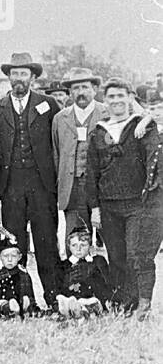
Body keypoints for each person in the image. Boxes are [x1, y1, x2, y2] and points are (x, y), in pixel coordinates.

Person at [0, 52, 61, 308]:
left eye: (23, 73)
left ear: (32, 77)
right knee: (13, 242)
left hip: (41, 184)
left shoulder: (49, 104)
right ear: (8, 77)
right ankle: (17, 298)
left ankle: (53, 297)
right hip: (11, 186)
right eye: (14, 73)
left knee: (46, 242)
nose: (18, 78)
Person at [86, 78, 163, 314]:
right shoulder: (99, 132)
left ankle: (141, 302)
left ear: (130, 98)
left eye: (121, 95)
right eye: (111, 96)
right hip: (109, 205)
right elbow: (91, 172)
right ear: (104, 100)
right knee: (116, 255)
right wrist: (95, 208)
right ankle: (123, 303)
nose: (116, 101)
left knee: (135, 253)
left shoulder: (142, 127)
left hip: (138, 204)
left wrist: (149, 118)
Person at [52, 67, 107, 237]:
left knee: (108, 239)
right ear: (69, 92)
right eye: (75, 88)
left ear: (95, 89)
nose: (80, 92)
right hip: (72, 186)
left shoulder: (108, 114)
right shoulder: (60, 118)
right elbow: (56, 154)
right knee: (74, 239)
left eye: (85, 87)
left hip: (102, 186)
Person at [54, 225, 113, 318]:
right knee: (67, 299)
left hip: (92, 296)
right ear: (69, 247)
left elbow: (106, 282)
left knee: (91, 300)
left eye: (83, 245)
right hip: (72, 297)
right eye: (74, 245)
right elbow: (59, 286)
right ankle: (71, 308)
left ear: (90, 246)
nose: (78, 249)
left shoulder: (97, 261)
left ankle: (86, 308)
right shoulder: (64, 265)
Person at [0, 225, 35, 318]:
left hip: (18, 302)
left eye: (13, 256)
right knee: (1, 304)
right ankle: (8, 308)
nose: (9, 259)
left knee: (24, 299)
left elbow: (29, 294)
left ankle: (21, 309)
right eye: (5, 256)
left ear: (19, 257)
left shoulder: (23, 274)